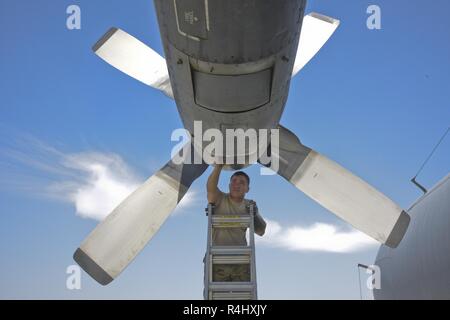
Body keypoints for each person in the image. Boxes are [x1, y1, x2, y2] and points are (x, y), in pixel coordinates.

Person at [205, 164, 266, 282]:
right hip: (217, 260)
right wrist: (218, 166)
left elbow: (261, 231)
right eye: (233, 181)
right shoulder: (219, 198)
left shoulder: (249, 205)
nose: (236, 184)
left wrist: (254, 213)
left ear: (248, 189)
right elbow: (210, 188)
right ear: (229, 185)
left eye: (242, 182)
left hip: (241, 262)